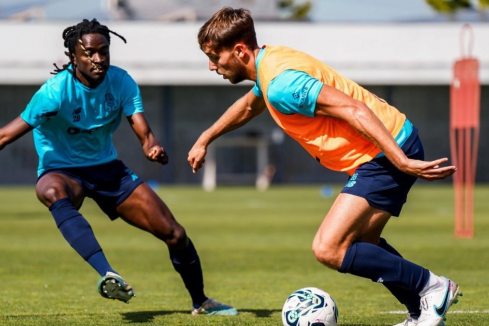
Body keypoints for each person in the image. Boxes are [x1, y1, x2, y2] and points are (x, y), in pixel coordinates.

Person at [0, 19, 237, 316]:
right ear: (73, 57)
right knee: (50, 190)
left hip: (108, 170)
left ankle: (201, 302)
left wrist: (153, 148)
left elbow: (145, 135)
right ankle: (108, 274)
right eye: (89, 53)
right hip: (63, 171)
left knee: (175, 233)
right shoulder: (54, 93)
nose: (98, 59)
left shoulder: (121, 82)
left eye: (103, 51)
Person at [188, 7, 462, 326]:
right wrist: (205, 137)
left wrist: (400, 161)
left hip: (386, 151)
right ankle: (420, 312)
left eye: (213, 56)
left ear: (238, 50)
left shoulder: (281, 84)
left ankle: (433, 287)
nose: (211, 66)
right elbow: (250, 105)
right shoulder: (270, 64)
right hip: (386, 147)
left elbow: (354, 109)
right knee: (363, 244)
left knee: (329, 247)